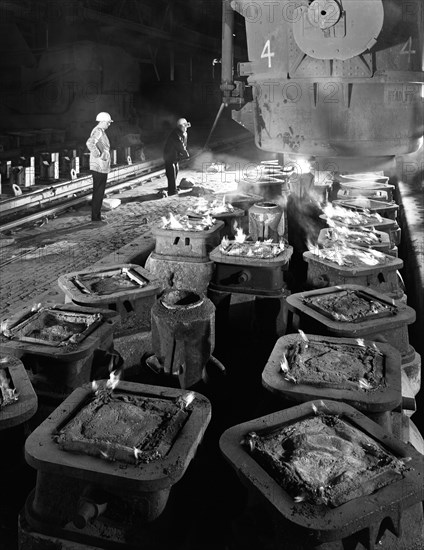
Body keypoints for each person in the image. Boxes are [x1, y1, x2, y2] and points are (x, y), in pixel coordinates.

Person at [86, 112, 113, 222]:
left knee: (99, 192)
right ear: (102, 122)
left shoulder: (100, 131)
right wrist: (98, 154)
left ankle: (97, 216)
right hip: (99, 167)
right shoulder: (98, 131)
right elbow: (90, 142)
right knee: (98, 192)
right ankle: (95, 218)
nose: (109, 124)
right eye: (107, 122)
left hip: (100, 166)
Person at [163, 118, 191, 196]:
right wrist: (186, 154)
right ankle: (172, 191)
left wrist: (184, 154)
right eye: (184, 126)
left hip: (175, 157)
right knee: (171, 173)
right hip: (169, 156)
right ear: (180, 126)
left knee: (176, 171)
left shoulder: (183, 133)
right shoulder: (175, 134)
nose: (186, 128)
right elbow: (180, 145)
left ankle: (173, 187)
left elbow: (184, 145)